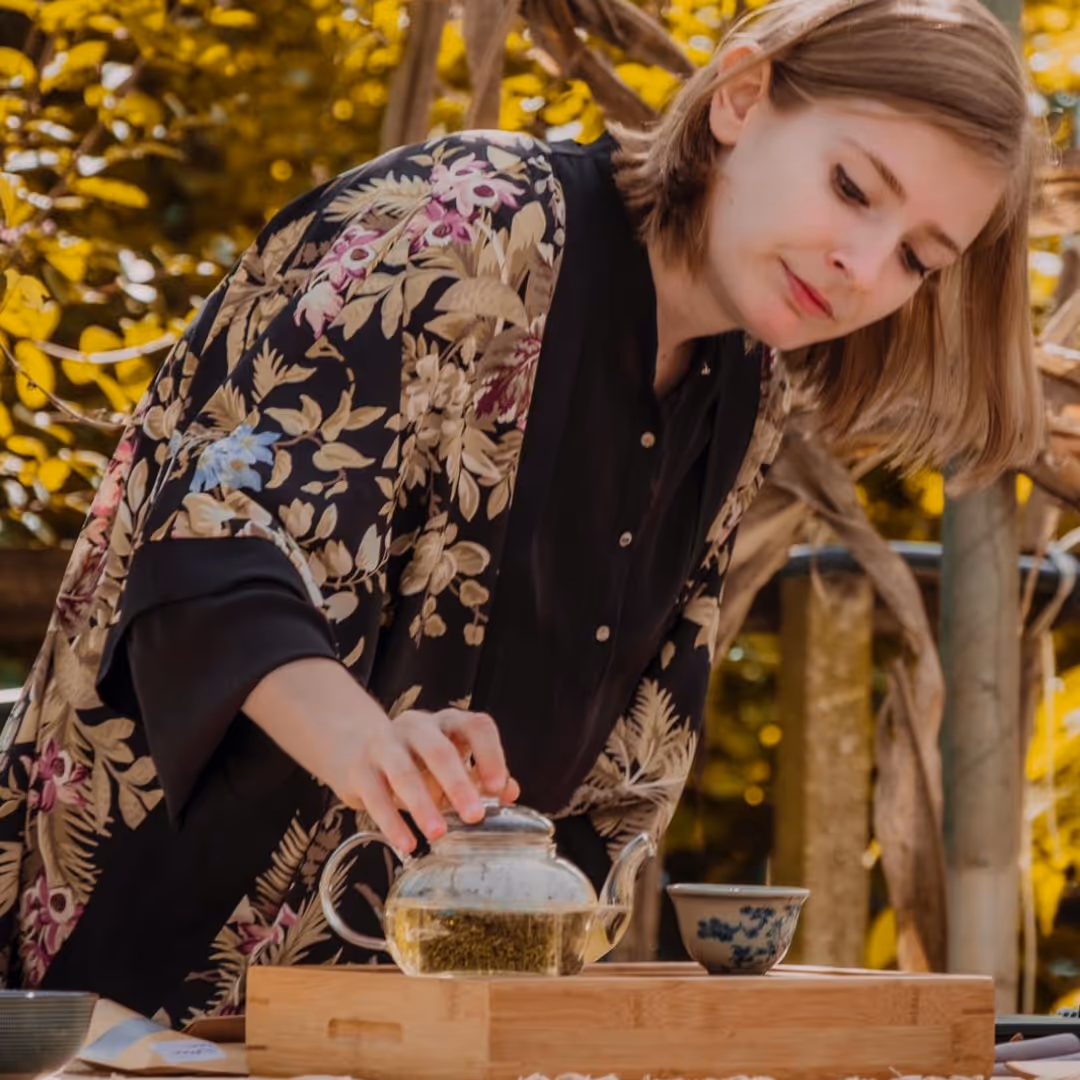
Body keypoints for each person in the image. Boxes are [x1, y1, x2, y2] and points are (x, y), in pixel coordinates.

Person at [0, 0, 1043, 1026]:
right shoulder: (468, 219)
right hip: (111, 991)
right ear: (740, 96)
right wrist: (370, 744)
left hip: (407, 1028)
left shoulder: (750, 385)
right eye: (853, 187)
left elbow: (629, 751)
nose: (864, 266)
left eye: (918, 258)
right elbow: (212, 535)